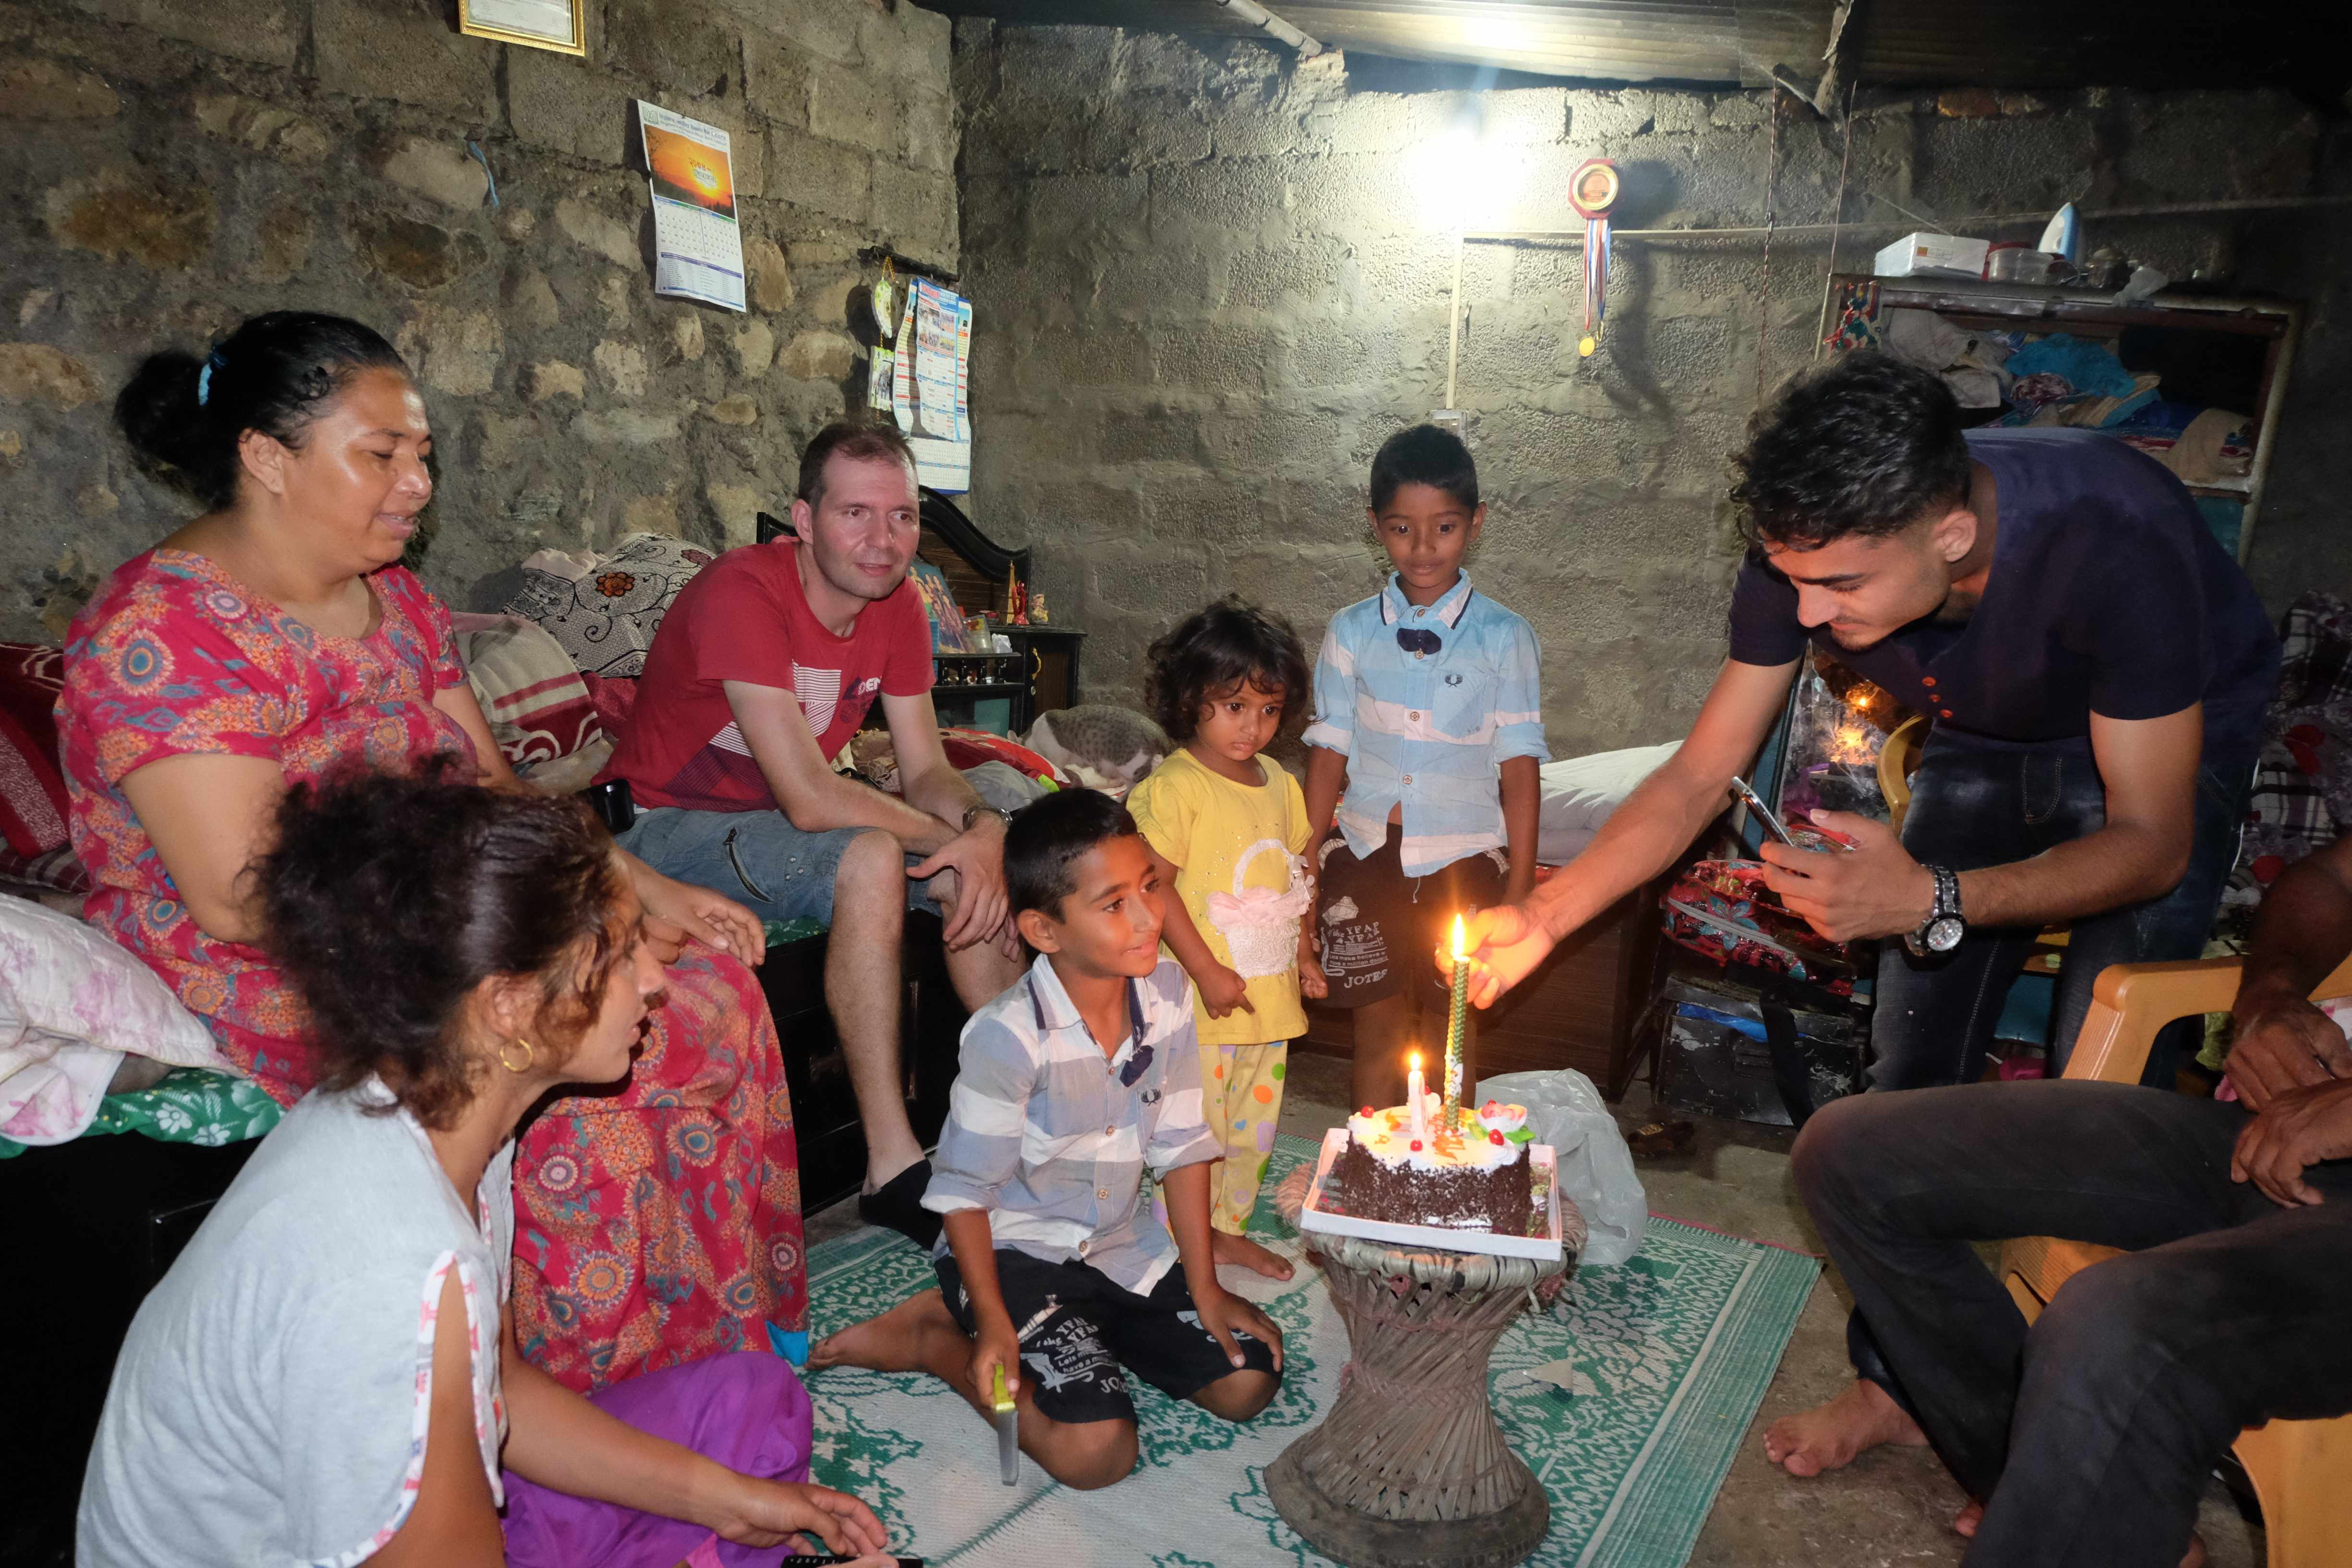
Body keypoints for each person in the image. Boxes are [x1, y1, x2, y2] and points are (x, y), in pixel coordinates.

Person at [1449, 352, 2280, 1474]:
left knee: (2103, 1099)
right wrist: (1549, 916)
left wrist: (1935, 897)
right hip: (1989, 735)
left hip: (2164, 749)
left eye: (1838, 587)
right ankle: (1906, 1388)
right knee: (1901, 1094)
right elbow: (1697, 776)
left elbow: (2151, 842)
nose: (1806, 615)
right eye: (1791, 580)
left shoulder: (2116, 540)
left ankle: (2108, 1436)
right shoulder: (1809, 546)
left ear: (1951, 536)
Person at [62, 312, 807, 1387]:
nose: (416, 484)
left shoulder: (397, 601)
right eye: (381, 455)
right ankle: (570, 1399)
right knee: (571, 1061)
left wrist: (633, 885)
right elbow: (240, 897)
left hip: (448, 914)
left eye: (421, 454)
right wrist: (521, 943)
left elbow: (493, 789)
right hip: (295, 955)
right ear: (266, 457)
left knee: (711, 994)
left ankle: (720, 1365)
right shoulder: (165, 634)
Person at [78, 771, 891, 1568]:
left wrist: (730, 1502)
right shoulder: (399, 1277)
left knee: (751, 1405)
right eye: (618, 955)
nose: (654, 981)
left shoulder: (438, 1118)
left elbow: (502, 1391)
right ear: (507, 1006)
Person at [1786, 828, 2352, 1568]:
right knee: (1853, 1153)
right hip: (2280, 1125)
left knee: (2119, 1324)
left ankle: (2081, 1513)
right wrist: (2270, 996)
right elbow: (2335, 878)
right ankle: (2071, 1502)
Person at [604, 420, 1025, 1250]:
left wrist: (982, 830)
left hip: (768, 830)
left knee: (972, 867)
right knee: (871, 854)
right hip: (664, 828)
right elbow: (810, 798)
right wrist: (944, 836)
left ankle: (1021, 1122)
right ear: (803, 519)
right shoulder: (743, 591)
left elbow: (926, 769)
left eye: (902, 517)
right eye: (855, 514)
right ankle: (892, 1166)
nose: (883, 541)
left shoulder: (900, 605)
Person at [809, 788, 1286, 1490]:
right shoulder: (1007, 1037)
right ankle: (933, 1335)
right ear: (1043, 930)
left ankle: (1092, 1327)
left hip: (1118, 1245)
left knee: (1249, 1379)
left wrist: (1204, 1287)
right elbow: (964, 1194)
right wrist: (994, 1323)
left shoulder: (1168, 994)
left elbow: (1183, 1143)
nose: (1149, 917)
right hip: (1015, 1253)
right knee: (1096, 1455)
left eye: (1150, 887)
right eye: (1114, 904)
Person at [1303, 423, 1546, 1111]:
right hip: (1366, 853)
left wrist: (1521, 886)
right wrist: (1306, 857)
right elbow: (1328, 751)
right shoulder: (1351, 630)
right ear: (1375, 527)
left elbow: (1519, 765)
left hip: (1464, 861)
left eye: (1444, 527)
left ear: (1476, 523)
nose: (1422, 548)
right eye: (1401, 529)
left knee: (1455, 1034)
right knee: (1377, 1031)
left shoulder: (1505, 636)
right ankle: (1372, 1164)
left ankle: (1451, 1166)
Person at [1127, 597, 1321, 1281]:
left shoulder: (1282, 785)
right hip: (1195, 999)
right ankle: (1182, 1237)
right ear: (1191, 698)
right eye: (1234, 706)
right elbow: (1154, 886)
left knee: (1250, 1129)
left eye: (1269, 709)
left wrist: (1304, 953)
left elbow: (1293, 877)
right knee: (1194, 1129)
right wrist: (1206, 969)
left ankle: (1226, 1230)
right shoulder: (1176, 787)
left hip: (1266, 997)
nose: (1253, 726)